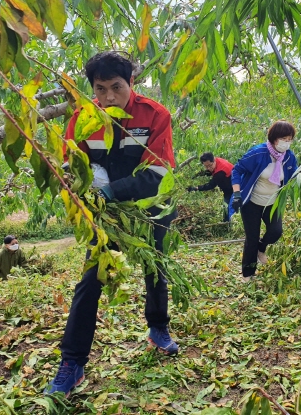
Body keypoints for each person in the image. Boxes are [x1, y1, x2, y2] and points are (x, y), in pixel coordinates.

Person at [46, 52, 179, 397]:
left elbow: (157, 175)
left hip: (151, 209)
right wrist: (78, 184)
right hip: (106, 216)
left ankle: (158, 328)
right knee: (92, 278)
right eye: (100, 88)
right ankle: (72, 362)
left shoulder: (155, 115)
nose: (107, 97)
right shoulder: (83, 118)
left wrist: (108, 190)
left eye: (116, 88)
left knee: (155, 267)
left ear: (131, 83)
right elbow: (72, 164)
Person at [230, 120, 301, 281]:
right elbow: (237, 170)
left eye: (290, 139)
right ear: (274, 138)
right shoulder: (258, 153)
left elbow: (293, 179)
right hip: (252, 203)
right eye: (284, 139)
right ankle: (248, 274)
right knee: (251, 238)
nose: (287, 143)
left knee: (276, 232)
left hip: (272, 203)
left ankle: (261, 248)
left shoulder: (289, 157)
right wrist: (237, 194)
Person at [187, 153, 234, 222]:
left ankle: (227, 223)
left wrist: (197, 188)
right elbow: (209, 172)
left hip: (233, 187)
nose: (208, 168)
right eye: (206, 166)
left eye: (210, 165)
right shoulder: (217, 160)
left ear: (213, 160)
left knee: (227, 206)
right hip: (229, 182)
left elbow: (211, 185)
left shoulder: (220, 172)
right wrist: (198, 174)